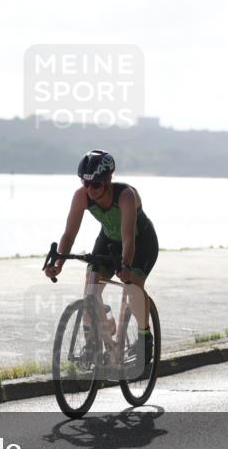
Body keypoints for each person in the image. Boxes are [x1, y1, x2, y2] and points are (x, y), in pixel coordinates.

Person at [45, 150, 159, 372]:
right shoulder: (82, 196)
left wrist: (125, 266)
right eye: (85, 183)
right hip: (108, 240)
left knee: (133, 286)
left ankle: (145, 337)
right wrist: (59, 262)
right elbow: (69, 234)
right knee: (90, 293)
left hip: (140, 242)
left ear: (108, 180)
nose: (90, 189)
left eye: (96, 184)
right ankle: (98, 342)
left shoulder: (126, 196)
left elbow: (128, 238)